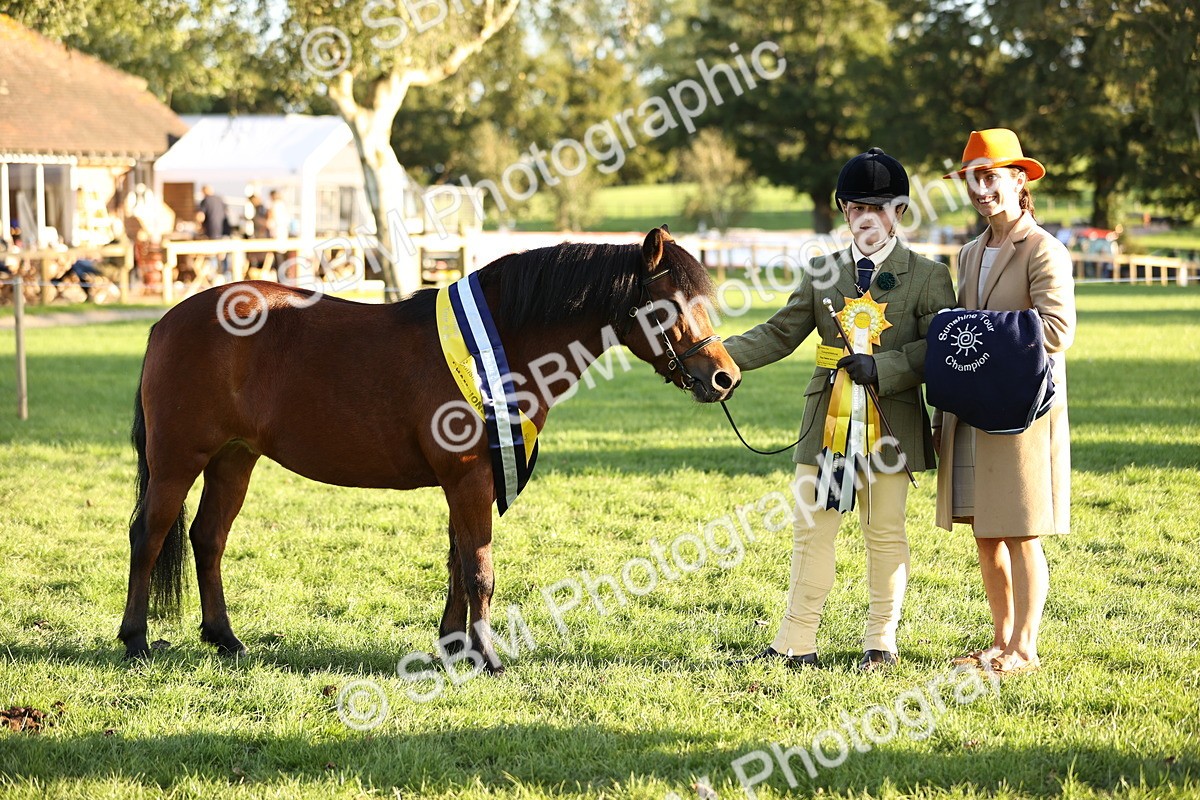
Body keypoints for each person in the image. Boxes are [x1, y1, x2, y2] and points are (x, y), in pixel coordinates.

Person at [726, 148, 956, 671]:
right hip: (827, 422)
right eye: (855, 207)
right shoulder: (822, 272)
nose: (865, 217)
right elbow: (780, 333)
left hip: (890, 420)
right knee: (813, 527)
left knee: (885, 530)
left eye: (878, 207)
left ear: (899, 211)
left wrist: (889, 366)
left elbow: (942, 345)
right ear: (844, 211)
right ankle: (796, 640)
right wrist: (719, 356)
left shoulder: (927, 275)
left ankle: (881, 641)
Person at [933, 128, 1076, 676]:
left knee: (1021, 529)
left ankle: (1025, 647)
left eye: (990, 177)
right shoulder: (969, 252)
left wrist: (980, 337)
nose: (980, 188)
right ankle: (999, 640)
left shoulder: (1045, 249)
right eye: (972, 178)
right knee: (986, 529)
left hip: (1023, 411)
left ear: (1019, 180)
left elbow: (1058, 331)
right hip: (974, 408)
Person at [195, 185, 230, 281]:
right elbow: (227, 212)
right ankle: (226, 277)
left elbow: (200, 216)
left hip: (212, 231)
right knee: (224, 256)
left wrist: (199, 226)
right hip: (224, 231)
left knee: (213, 255)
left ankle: (214, 277)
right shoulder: (220, 199)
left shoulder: (205, 201)